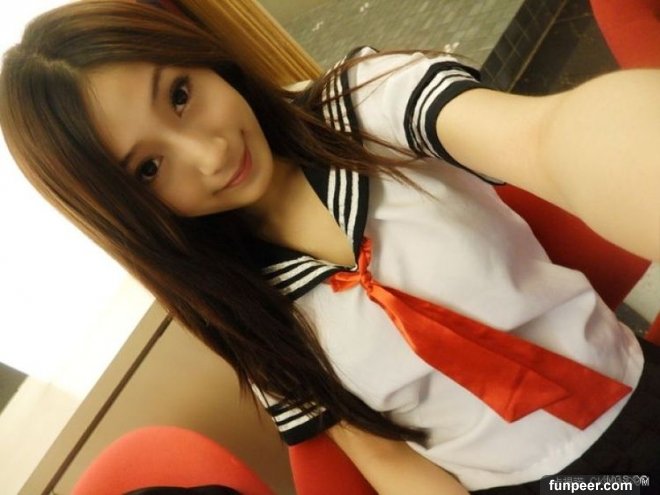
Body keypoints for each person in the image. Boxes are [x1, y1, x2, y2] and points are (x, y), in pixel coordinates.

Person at [1, 1, 659, 494]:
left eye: (180, 95)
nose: (209, 153)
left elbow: (543, 137)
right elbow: (385, 455)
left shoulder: (366, 108)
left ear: (204, 59)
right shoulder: (246, 310)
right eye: (148, 168)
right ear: (130, 211)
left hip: (635, 393)